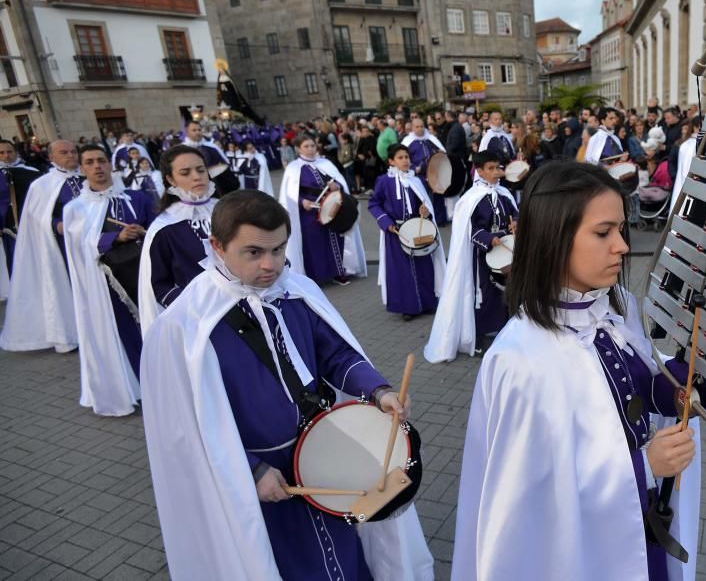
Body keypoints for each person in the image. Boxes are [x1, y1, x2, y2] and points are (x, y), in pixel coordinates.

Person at [141, 190, 434, 581]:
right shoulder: (184, 326)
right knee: (285, 563)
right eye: (254, 252)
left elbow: (336, 355)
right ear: (217, 246)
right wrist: (252, 470)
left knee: (347, 551)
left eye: (279, 249)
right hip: (262, 476)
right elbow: (185, 429)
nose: (271, 264)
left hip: (325, 453)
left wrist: (378, 391)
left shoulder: (296, 292)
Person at [452, 161, 706, 581]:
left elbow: (633, 386)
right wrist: (643, 465)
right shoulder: (519, 360)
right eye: (603, 232)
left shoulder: (616, 305)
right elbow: (530, 503)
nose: (623, 247)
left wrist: (676, 389)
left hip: (640, 527)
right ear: (554, 238)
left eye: (622, 230)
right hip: (584, 556)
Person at [63, 145, 155, 416]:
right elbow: (79, 246)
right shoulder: (76, 208)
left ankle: (158, 383)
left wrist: (143, 231)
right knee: (123, 333)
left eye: (101, 161)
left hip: (141, 276)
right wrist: (114, 238)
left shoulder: (136, 198)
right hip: (106, 285)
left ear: (110, 164)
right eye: (89, 162)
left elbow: (159, 228)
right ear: (82, 169)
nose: (97, 167)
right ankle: (134, 387)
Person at [425, 151, 518, 362]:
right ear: (480, 171)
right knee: (484, 296)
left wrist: (516, 223)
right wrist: (487, 238)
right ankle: (481, 335)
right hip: (481, 258)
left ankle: (505, 332)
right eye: (491, 168)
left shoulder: (504, 194)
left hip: (506, 253)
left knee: (506, 294)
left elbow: (516, 214)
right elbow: (468, 230)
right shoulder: (471, 199)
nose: (497, 172)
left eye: (499, 168)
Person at [0, 140, 82, 353]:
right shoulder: (43, 184)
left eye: (73, 151)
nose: (71, 155)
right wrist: (57, 224)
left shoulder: (87, 177)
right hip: (62, 246)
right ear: (51, 157)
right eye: (64, 152)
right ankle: (70, 332)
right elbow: (38, 216)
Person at [137, 146, 218, 334]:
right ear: (171, 180)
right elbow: (158, 284)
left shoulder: (229, 211)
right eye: (185, 172)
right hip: (197, 319)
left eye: (200, 170)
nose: (196, 177)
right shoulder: (164, 227)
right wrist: (192, 309)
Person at [368, 144, 445, 321]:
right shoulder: (384, 181)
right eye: (400, 158)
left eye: (407, 157)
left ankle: (427, 303)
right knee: (401, 271)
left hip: (417, 230)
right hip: (396, 233)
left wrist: (425, 211)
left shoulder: (415, 180)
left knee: (424, 267)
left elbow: (423, 202)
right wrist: (386, 222)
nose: (405, 160)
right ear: (391, 161)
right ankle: (408, 306)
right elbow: (374, 204)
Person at [279, 135, 366, 285]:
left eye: (312, 145)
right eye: (306, 146)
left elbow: (339, 182)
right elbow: (289, 194)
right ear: (299, 149)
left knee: (335, 240)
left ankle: (338, 272)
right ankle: (315, 277)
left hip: (331, 209)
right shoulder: (293, 168)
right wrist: (302, 201)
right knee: (314, 245)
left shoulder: (325, 163)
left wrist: (337, 185)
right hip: (308, 213)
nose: (310, 149)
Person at [0, 139, 42, 297]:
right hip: (7, 229)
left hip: (31, 226)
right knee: (14, 261)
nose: (6, 156)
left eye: (9, 152)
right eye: (1, 152)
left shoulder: (30, 172)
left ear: (15, 153)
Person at [400, 118, 448, 223]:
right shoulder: (408, 141)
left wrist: (440, 154)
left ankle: (440, 220)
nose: (420, 129)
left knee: (438, 196)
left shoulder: (431, 139)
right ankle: (422, 220)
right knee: (421, 197)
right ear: (412, 128)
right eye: (417, 127)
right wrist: (413, 168)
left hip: (434, 172)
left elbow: (442, 153)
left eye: (422, 126)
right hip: (418, 174)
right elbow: (403, 158)